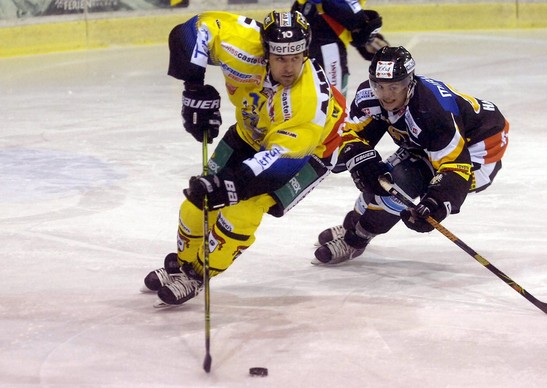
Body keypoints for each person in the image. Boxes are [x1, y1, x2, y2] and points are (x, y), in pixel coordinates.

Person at [142, 10, 347, 305]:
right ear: (264, 52)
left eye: (295, 57)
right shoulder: (242, 43)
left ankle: (198, 274)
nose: (289, 68)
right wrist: (194, 89)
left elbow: (281, 162)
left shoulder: (307, 99)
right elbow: (189, 31)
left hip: (309, 153)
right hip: (251, 131)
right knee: (194, 207)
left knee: (240, 211)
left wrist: (229, 184)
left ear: (306, 52)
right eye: (280, 58)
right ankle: (184, 263)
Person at [313, 46, 510, 265]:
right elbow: (349, 134)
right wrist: (358, 156)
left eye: (394, 87)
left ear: (409, 82)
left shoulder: (431, 112)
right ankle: (354, 222)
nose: (386, 95)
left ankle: (356, 239)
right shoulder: (370, 96)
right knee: (379, 176)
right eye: (379, 86)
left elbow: (455, 167)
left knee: (405, 182)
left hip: (479, 151)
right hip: (427, 143)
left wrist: (437, 202)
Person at [291, 0, 389, 96]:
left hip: (317, 33)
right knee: (331, 102)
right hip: (324, 42)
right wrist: (361, 28)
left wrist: (363, 34)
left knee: (330, 101)